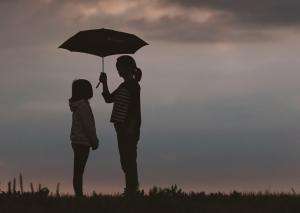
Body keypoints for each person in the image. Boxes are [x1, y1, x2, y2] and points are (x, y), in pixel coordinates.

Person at [99, 55, 142, 195]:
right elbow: (108, 99)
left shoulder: (133, 86)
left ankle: (132, 190)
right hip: (121, 129)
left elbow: (135, 110)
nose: (118, 70)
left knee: (128, 160)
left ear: (127, 68)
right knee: (125, 160)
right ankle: (131, 189)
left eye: (119, 67)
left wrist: (130, 128)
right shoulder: (124, 85)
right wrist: (104, 82)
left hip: (128, 129)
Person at [69, 79, 99, 196]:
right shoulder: (83, 107)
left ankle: (78, 194)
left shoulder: (78, 106)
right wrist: (94, 141)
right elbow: (88, 126)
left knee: (78, 170)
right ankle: (79, 195)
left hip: (77, 141)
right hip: (82, 142)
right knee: (79, 171)